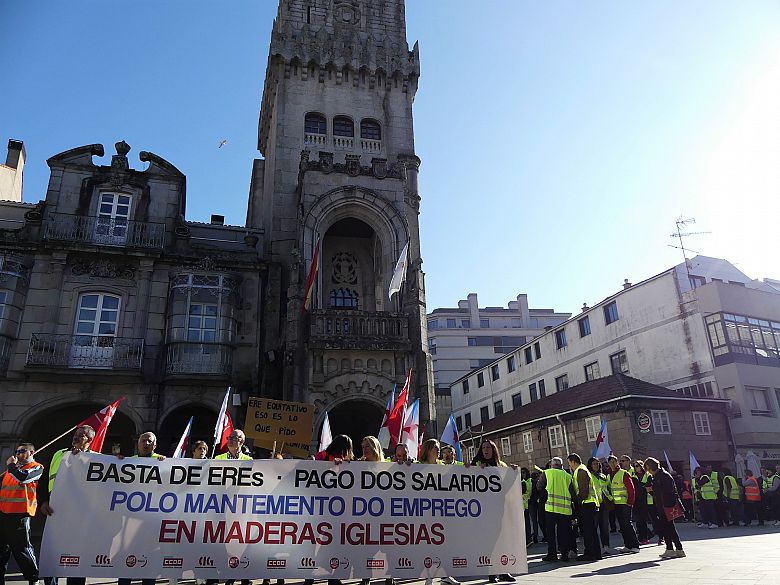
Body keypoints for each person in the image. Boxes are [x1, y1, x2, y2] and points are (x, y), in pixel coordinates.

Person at [38, 425, 96, 585]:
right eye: (76, 433)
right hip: (54, 511)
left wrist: (119, 460)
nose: (76, 436)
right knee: (52, 553)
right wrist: (43, 501)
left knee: (77, 555)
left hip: (80, 515)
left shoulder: (96, 459)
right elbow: (44, 479)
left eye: (81, 435)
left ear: (90, 440)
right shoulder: (59, 454)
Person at [118, 433, 164, 585]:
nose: (146, 443)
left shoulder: (162, 461)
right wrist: (116, 462)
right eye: (143, 440)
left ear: (154, 445)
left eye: (149, 441)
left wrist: (166, 464)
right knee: (126, 553)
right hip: (129, 518)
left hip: (151, 519)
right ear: (138, 444)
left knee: (149, 555)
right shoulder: (128, 461)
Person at [468, 441, 515, 582]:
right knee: (490, 542)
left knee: (502, 540)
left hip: (500, 509)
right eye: (483, 447)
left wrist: (513, 472)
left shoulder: (501, 466)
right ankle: (491, 572)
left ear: (494, 450)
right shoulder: (477, 464)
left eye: (488, 447)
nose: (485, 450)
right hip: (484, 510)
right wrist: (474, 469)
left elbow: (508, 485)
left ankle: (504, 571)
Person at [0, 442, 43, 585]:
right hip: (3, 513)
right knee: (1, 550)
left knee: (22, 549)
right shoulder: (11, 470)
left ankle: (33, 578)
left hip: (20, 515)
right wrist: (12, 468)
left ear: (31, 453)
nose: (18, 454)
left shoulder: (36, 467)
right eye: (17, 452)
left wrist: (11, 466)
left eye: (22, 451)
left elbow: (23, 478)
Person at [644, 458, 685, 558]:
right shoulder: (658, 476)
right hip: (662, 506)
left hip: (667, 506)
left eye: (647, 468)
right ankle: (672, 548)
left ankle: (676, 548)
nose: (648, 471)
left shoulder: (664, 475)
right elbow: (658, 494)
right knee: (667, 528)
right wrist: (651, 491)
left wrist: (653, 489)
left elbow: (668, 491)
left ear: (650, 467)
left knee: (669, 528)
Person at [537, 457, 575, 563]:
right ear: (562, 466)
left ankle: (552, 554)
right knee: (564, 533)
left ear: (552, 465)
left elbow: (539, 486)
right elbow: (572, 492)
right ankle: (564, 554)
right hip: (565, 509)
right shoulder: (568, 476)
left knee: (551, 533)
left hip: (550, 508)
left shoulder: (547, 473)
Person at [567, 453, 601, 561]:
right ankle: (595, 553)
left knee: (588, 531)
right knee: (591, 531)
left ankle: (590, 553)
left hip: (587, 504)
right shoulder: (582, 470)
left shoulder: (581, 471)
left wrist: (578, 501)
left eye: (569, 463)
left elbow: (583, 491)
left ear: (573, 462)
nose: (569, 465)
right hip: (589, 503)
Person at [608, 455, 640, 553]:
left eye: (615, 461)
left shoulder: (623, 473)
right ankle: (628, 545)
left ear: (617, 462)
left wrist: (630, 502)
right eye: (611, 462)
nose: (613, 463)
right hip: (616, 504)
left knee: (627, 524)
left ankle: (635, 545)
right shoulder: (609, 475)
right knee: (622, 526)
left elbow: (631, 489)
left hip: (625, 503)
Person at [588, 457, 612, 556]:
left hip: (604, 504)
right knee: (594, 526)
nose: (596, 465)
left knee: (604, 526)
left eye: (598, 463)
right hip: (594, 504)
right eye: (594, 464)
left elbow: (608, 488)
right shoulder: (589, 476)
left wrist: (610, 498)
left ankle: (606, 546)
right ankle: (595, 546)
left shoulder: (603, 476)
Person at [520, 468, 532, 548]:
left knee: (526, 524)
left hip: (524, 506)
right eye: (521, 472)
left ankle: (528, 539)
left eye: (524, 472)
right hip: (523, 505)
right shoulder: (522, 482)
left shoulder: (523, 482)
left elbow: (524, 494)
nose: (522, 474)